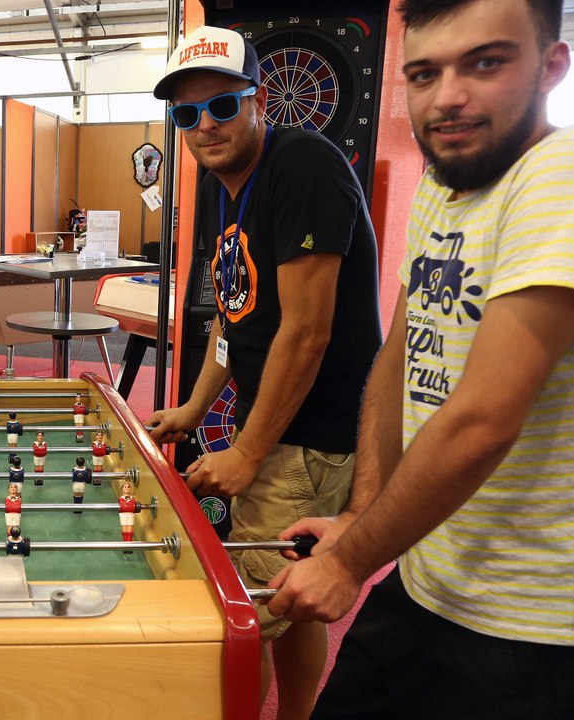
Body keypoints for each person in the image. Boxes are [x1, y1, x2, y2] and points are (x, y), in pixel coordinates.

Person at [267, 1, 574, 717]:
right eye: (424, 74)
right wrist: (364, 514)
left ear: (550, 68)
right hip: (427, 577)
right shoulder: (444, 182)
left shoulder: (556, 177)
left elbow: (481, 421)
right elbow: (402, 355)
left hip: (528, 624)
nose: (449, 97)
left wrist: (348, 559)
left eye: (485, 62)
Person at [148, 24, 382, 719]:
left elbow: (306, 332)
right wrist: (195, 408)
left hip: (306, 437)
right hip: (282, 428)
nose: (204, 126)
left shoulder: (301, 163)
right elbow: (234, 309)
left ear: (259, 102)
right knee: (293, 604)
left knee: (244, 618)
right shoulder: (226, 184)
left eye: (221, 105)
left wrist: (249, 450)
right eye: (186, 114)